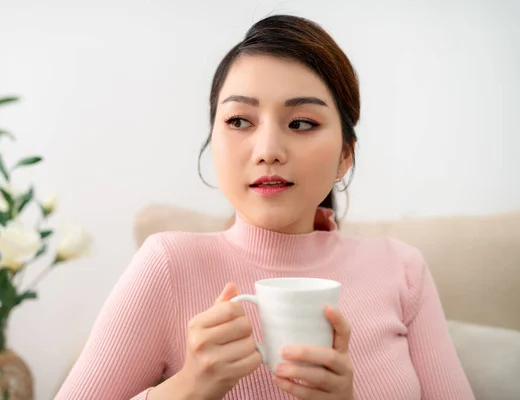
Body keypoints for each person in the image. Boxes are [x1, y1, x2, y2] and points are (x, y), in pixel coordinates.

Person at [55, 14, 474, 400]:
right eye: (239, 121)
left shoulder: (402, 270)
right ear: (213, 140)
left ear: (345, 154)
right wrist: (184, 389)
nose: (268, 150)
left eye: (302, 123)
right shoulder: (168, 264)